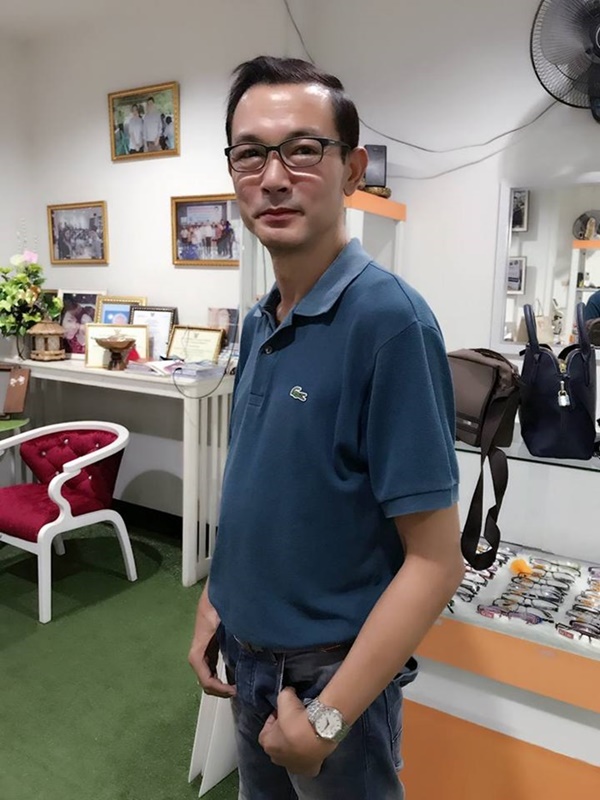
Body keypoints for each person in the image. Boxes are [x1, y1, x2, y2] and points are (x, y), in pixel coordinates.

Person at [188, 55, 464, 800]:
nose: (274, 178)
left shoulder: (391, 324)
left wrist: (330, 719)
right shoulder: (260, 319)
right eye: (251, 154)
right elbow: (261, 481)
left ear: (353, 170)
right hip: (248, 657)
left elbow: (436, 562)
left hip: (330, 678)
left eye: (304, 149)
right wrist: (218, 599)